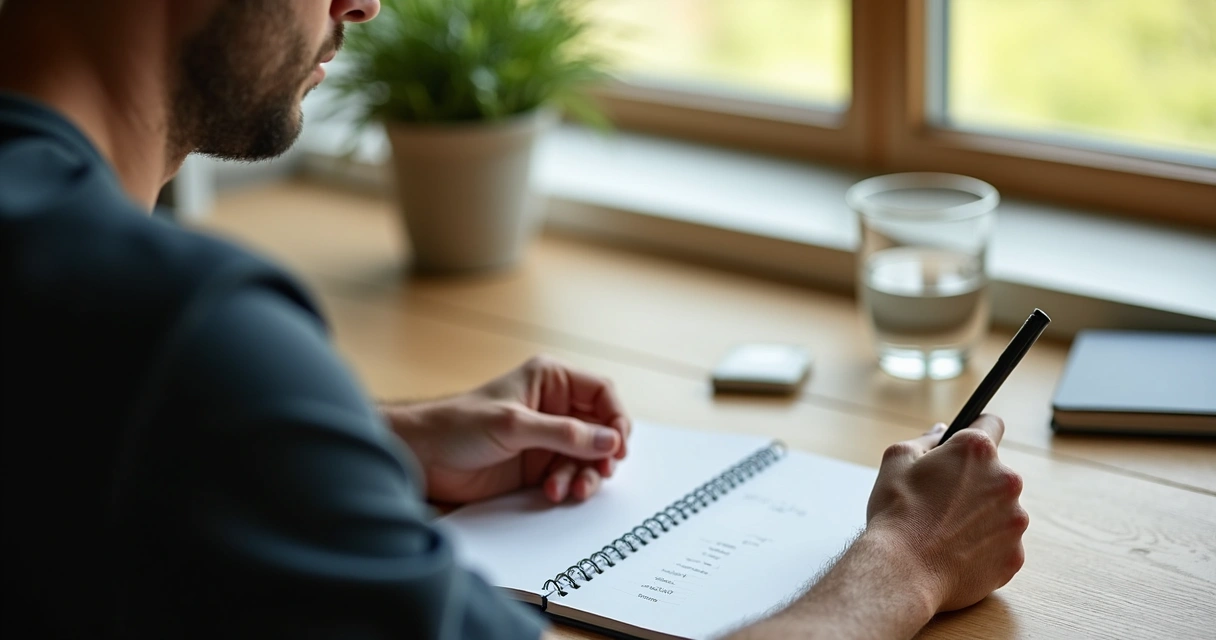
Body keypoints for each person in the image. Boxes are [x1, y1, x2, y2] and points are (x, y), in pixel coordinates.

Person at [0, 1, 1028, 638]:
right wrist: (905, 560)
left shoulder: (95, 320)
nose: (361, 4)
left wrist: (358, 443)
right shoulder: (190, 338)